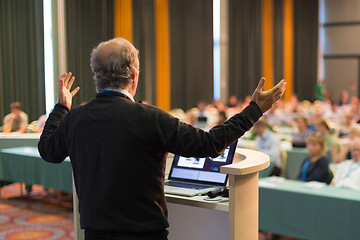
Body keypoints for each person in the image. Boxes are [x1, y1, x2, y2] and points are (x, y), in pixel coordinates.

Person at [38, 38, 286, 240]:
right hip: (145, 235)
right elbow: (210, 144)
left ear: (96, 76)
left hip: (95, 234)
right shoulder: (150, 118)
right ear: (134, 75)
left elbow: (48, 150)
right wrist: (254, 110)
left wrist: (62, 107)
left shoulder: (75, 118)